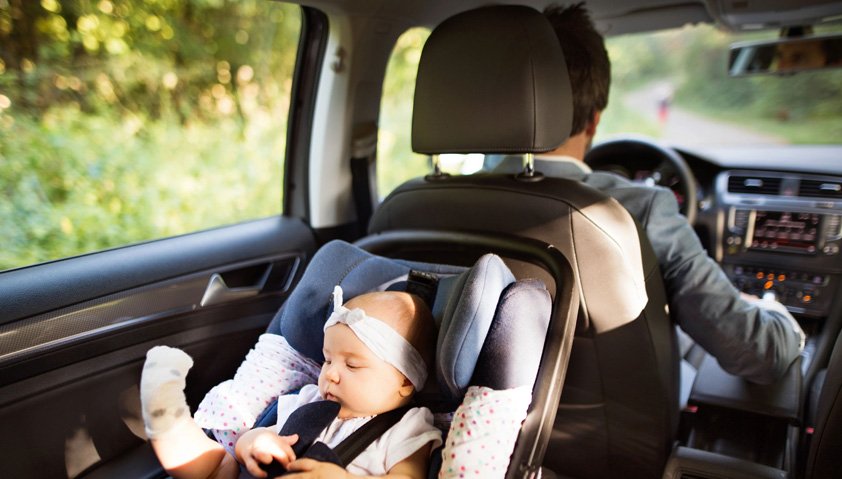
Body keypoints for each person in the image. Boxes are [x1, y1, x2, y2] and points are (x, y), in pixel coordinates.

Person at [493, 3, 805, 385]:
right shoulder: (640, 210)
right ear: (595, 118)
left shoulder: (406, 208)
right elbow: (759, 354)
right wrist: (779, 315)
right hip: (620, 439)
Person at [139, 286, 442, 479]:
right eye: (327, 360)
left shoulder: (409, 425)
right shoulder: (309, 400)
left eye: (351, 364)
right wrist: (251, 443)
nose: (331, 374)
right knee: (220, 463)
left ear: (404, 381)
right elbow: (261, 435)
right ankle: (168, 419)